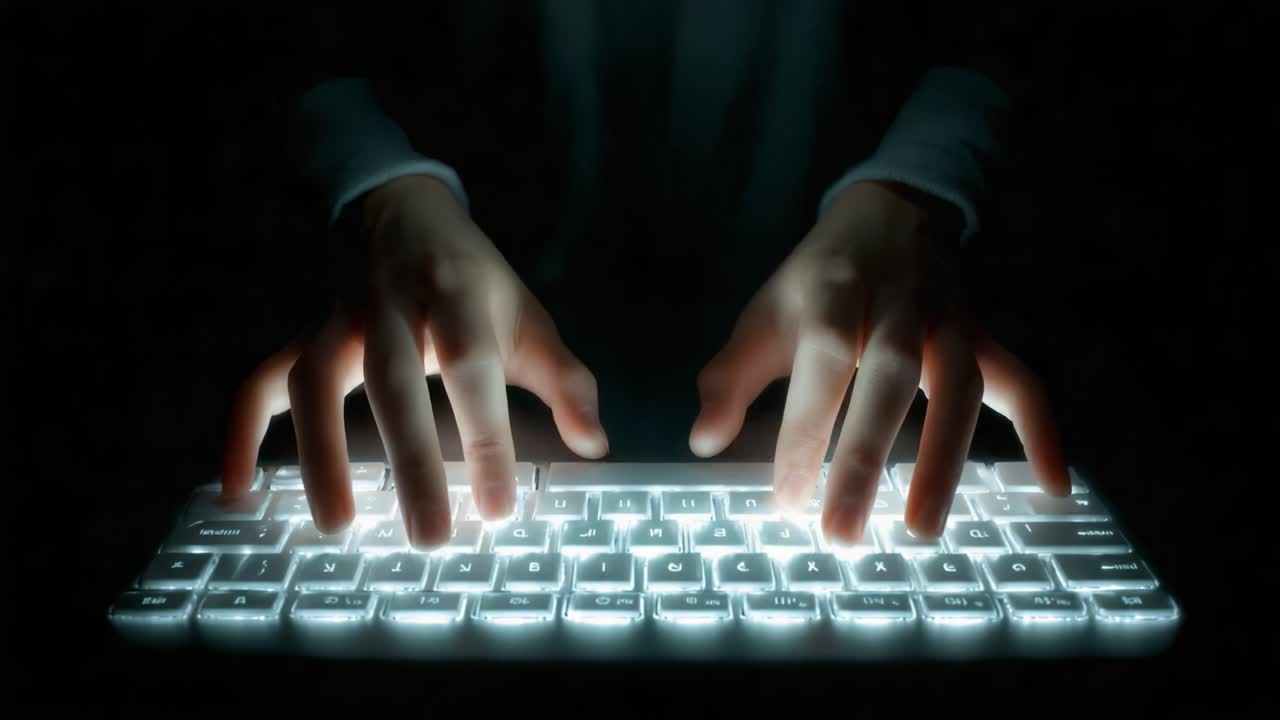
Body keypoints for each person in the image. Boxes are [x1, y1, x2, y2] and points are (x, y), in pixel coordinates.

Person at [219, 0, 1069, 550]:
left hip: (849, 390)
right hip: (460, 399)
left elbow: (1012, 40)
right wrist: (381, 191)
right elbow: (290, 41)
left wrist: (918, 190)